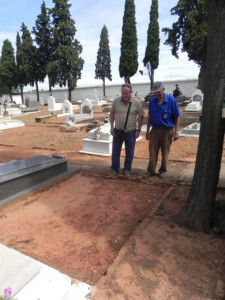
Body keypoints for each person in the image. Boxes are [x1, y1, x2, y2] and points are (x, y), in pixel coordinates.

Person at [143, 81, 181, 179]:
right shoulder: (152, 101)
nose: (157, 94)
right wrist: (147, 131)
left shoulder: (171, 100)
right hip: (155, 130)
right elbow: (150, 116)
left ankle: (163, 170)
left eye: (158, 92)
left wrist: (176, 131)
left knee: (165, 151)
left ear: (163, 89)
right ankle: (150, 170)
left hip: (167, 130)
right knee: (152, 151)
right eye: (155, 93)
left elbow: (177, 116)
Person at [109, 83, 144, 177]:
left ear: (131, 92)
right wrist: (112, 127)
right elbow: (112, 114)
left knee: (129, 152)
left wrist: (138, 130)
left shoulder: (136, 102)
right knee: (115, 151)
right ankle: (115, 169)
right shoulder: (116, 101)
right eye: (123, 93)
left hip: (131, 131)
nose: (125, 95)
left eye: (127, 93)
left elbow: (141, 116)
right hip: (118, 130)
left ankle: (127, 170)